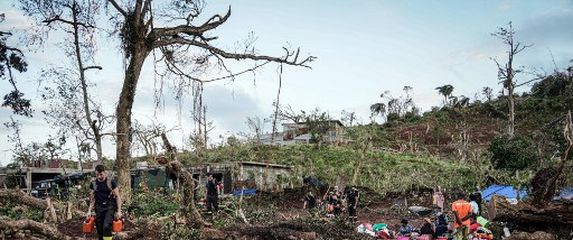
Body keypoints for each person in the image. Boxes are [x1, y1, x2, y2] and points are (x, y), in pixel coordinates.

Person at [87, 164, 122, 240]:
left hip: (109, 207)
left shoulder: (111, 182)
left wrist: (119, 211)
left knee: (106, 226)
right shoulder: (93, 184)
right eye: (97, 175)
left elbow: (117, 197)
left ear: (105, 172)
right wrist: (89, 211)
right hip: (99, 208)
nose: (99, 176)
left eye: (101, 174)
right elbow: (92, 199)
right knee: (100, 230)